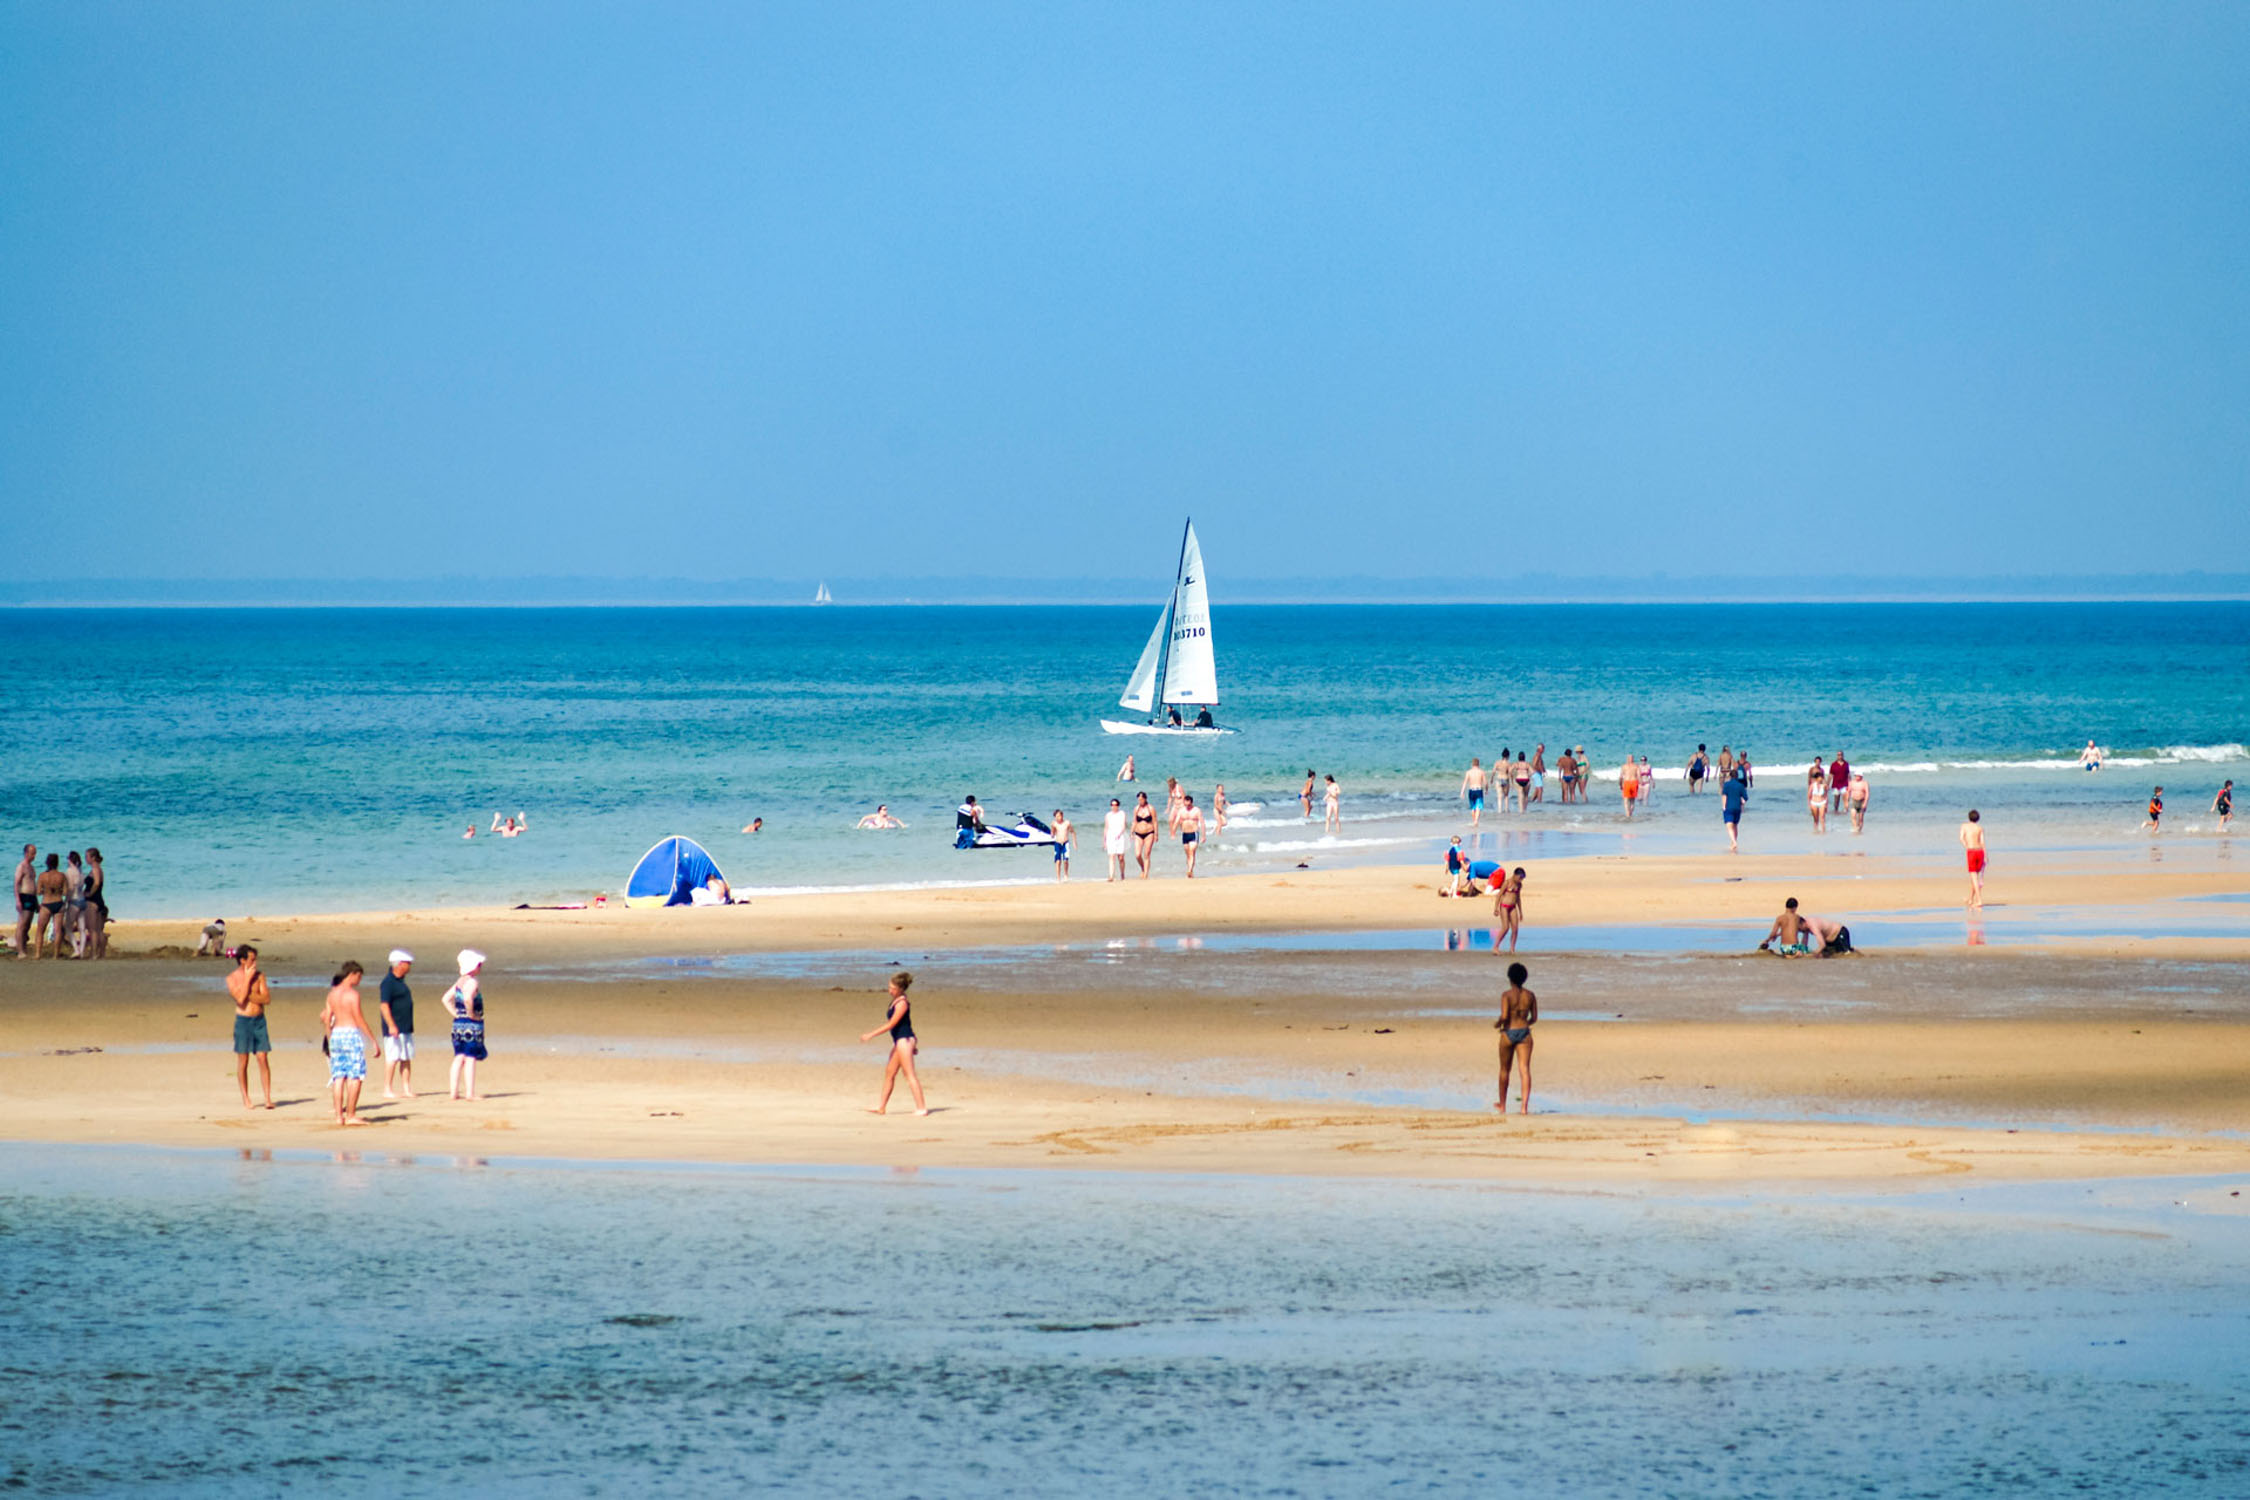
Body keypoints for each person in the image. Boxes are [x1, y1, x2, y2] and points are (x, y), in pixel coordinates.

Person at [859, 971, 928, 1115]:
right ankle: (882, 1107)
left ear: (900, 989)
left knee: (909, 1074)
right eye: (889, 987)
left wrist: (870, 1035)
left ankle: (921, 1108)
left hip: (905, 1040)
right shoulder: (896, 1001)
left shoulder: (902, 1003)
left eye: (892, 988)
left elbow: (892, 1024)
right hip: (900, 1041)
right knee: (890, 1073)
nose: (889, 990)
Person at [321, 961, 379, 1127]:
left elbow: (327, 1019)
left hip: (336, 1035)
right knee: (355, 1075)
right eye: (359, 976)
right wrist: (373, 1040)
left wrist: (330, 1038)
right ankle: (351, 1114)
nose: (360, 980)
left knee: (338, 1076)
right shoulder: (352, 995)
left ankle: (339, 1116)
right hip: (350, 1033)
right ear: (352, 974)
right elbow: (358, 1019)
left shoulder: (332, 994)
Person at [227, 945, 274, 1109]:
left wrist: (247, 993)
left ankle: (268, 1098)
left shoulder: (260, 976)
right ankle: (246, 1098)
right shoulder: (232, 978)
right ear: (242, 960)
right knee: (243, 1060)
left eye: (255, 959)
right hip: (243, 1021)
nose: (255, 962)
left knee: (262, 1058)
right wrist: (247, 979)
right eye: (252, 959)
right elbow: (239, 1001)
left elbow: (266, 998)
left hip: (259, 1020)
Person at [1493, 962, 1537, 1115]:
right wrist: (1525, 1024)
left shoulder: (1506, 995)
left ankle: (1503, 1105)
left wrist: (1498, 1023)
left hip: (1508, 1032)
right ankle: (1524, 1107)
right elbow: (1534, 1018)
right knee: (1524, 1069)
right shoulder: (1530, 995)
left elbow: (1505, 1016)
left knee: (1505, 1069)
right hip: (1524, 1032)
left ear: (1509, 978)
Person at [445, 949, 488, 1101]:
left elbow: (445, 999)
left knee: (459, 1057)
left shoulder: (459, 982)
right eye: (479, 964)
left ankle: (453, 1092)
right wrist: (471, 1014)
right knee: (470, 1057)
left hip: (458, 1024)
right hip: (471, 1025)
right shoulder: (472, 982)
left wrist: (457, 1014)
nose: (480, 966)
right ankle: (470, 1093)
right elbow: (468, 999)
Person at [379, 949, 416, 1099]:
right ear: (400, 964)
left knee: (406, 1057)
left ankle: (406, 1088)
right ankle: (387, 1088)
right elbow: (384, 1005)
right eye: (407, 963)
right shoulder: (388, 983)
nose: (409, 966)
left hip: (406, 1026)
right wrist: (391, 1025)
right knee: (393, 1057)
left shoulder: (400, 982)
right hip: (394, 1027)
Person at [32, 855, 66, 960]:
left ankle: (38, 954)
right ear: (57, 863)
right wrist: (57, 890)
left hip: (46, 904)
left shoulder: (42, 876)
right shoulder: (62, 876)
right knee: (58, 930)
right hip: (58, 903)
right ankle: (55, 955)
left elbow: (37, 892)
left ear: (47, 863)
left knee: (40, 930)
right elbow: (65, 892)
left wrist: (45, 890)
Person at [1491, 866, 1526, 953]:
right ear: (1515, 875)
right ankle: (1495, 947)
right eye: (1520, 878)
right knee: (1505, 927)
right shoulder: (1507, 883)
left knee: (1515, 928)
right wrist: (1496, 908)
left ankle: (1512, 948)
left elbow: (1518, 898)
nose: (1520, 880)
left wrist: (1521, 912)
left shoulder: (1519, 885)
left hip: (1513, 907)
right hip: (1504, 906)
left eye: (1522, 878)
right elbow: (1499, 895)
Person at [82, 847, 107, 959]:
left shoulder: (96, 869)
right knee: (99, 930)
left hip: (93, 901)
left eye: (87, 856)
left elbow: (96, 883)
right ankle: (101, 953)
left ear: (93, 857)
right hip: (99, 899)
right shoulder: (98, 869)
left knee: (93, 929)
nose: (85, 859)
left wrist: (89, 894)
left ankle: (94, 953)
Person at [12, 844, 35, 958]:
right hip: (24, 896)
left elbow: (33, 884)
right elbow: (16, 884)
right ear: (26, 853)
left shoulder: (31, 867)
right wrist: (18, 900)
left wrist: (37, 901)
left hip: (32, 897)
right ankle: (20, 951)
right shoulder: (21, 866)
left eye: (35, 853)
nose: (34, 855)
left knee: (27, 926)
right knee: (22, 924)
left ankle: (24, 948)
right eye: (32, 853)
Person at [63, 852, 88, 958]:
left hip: (74, 901)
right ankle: (81, 951)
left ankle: (76, 949)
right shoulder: (81, 872)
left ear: (70, 860)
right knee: (82, 929)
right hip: (82, 900)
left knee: (68, 927)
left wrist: (65, 902)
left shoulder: (69, 871)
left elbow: (70, 889)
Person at [1959, 810, 1986, 907]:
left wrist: (1966, 845)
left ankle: (1979, 900)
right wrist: (1986, 856)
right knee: (1975, 877)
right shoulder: (1979, 828)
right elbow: (1982, 842)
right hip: (1980, 852)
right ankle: (1971, 899)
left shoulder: (1964, 826)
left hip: (1971, 851)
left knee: (1973, 877)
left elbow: (1961, 838)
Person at [1131, 791, 1157, 878]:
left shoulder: (1151, 808)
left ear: (1145, 799)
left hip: (1149, 833)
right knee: (1137, 854)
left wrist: (1156, 834)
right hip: (1138, 833)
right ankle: (1143, 868)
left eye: (1141, 799)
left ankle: (1146, 874)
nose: (1140, 801)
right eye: (1139, 800)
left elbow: (1155, 821)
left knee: (1147, 853)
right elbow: (1134, 821)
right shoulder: (1136, 809)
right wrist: (1131, 832)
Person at [1721, 768, 1748, 852]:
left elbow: (1724, 796)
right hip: (1737, 808)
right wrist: (1742, 802)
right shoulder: (1740, 785)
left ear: (1730, 776)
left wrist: (1723, 806)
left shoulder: (1726, 785)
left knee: (1729, 826)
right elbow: (1745, 797)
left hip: (1729, 807)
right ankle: (1733, 844)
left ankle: (1734, 842)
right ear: (1737, 776)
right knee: (1735, 826)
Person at [1178, 795, 1205, 877]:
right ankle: (1190, 870)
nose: (1187, 806)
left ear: (1191, 803)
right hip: (1185, 834)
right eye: (1185, 804)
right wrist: (1173, 832)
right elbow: (1177, 821)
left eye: (1189, 804)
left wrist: (1203, 836)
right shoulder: (1181, 811)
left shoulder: (1196, 810)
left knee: (1192, 851)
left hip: (1194, 833)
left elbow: (1202, 823)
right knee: (1188, 854)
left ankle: (1189, 870)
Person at [1103, 798, 1128, 881]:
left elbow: (1124, 826)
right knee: (1111, 856)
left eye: (1115, 805)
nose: (1114, 807)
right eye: (1112, 805)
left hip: (1120, 837)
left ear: (1118, 806)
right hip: (1110, 837)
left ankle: (1122, 874)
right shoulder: (1108, 815)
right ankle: (1111, 876)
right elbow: (1106, 828)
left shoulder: (1122, 814)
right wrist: (1104, 840)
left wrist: (1120, 834)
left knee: (1120, 857)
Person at [1461, 757, 1487, 825]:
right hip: (1479, 790)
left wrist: (1462, 792)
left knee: (1473, 807)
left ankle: (1474, 821)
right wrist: (1486, 789)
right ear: (1478, 764)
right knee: (1478, 807)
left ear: (1472, 764)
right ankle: (1476, 821)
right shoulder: (1481, 772)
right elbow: (1485, 783)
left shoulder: (1468, 772)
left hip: (1471, 790)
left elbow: (1465, 782)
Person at [1051, 809, 1075, 882]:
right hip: (1057, 843)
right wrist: (1051, 833)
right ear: (1055, 817)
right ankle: (1058, 878)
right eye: (1057, 816)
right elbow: (1052, 833)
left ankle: (1066, 875)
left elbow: (1073, 832)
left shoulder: (1067, 823)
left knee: (1066, 861)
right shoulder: (1054, 824)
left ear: (1062, 815)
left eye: (1060, 816)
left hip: (1065, 843)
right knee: (1058, 861)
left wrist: (1074, 842)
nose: (1059, 818)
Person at [1806, 760, 1828, 833]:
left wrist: (1826, 805)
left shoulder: (1824, 786)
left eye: (1821, 777)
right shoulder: (1812, 785)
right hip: (1814, 802)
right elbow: (1809, 795)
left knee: (1822, 818)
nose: (1820, 779)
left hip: (1822, 802)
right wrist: (1809, 804)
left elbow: (1825, 795)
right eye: (1819, 777)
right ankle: (1816, 830)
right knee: (1816, 819)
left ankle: (1823, 831)